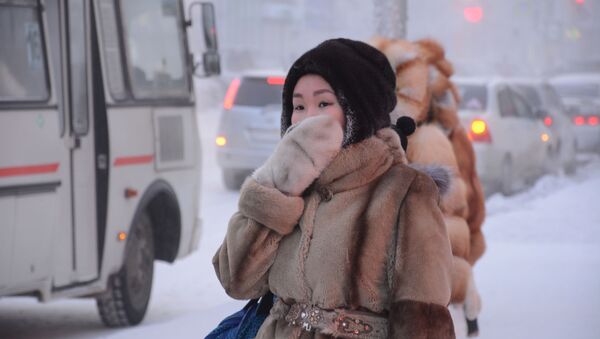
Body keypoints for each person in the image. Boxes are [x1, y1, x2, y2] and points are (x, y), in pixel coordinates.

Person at [213, 38, 455, 338]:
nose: (306, 118)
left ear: (359, 112)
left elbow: (424, 319)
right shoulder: (289, 188)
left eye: (324, 103)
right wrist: (278, 187)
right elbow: (236, 281)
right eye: (298, 106)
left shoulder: (405, 192)